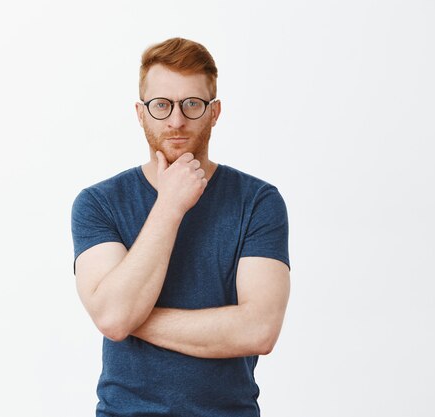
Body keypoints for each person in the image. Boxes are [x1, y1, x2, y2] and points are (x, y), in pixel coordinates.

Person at [71, 37, 291, 417]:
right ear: (141, 113)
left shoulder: (258, 202)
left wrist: (132, 319)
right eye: (161, 105)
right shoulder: (98, 203)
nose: (176, 120)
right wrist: (170, 206)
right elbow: (112, 316)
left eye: (193, 104)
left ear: (215, 111)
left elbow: (259, 331)